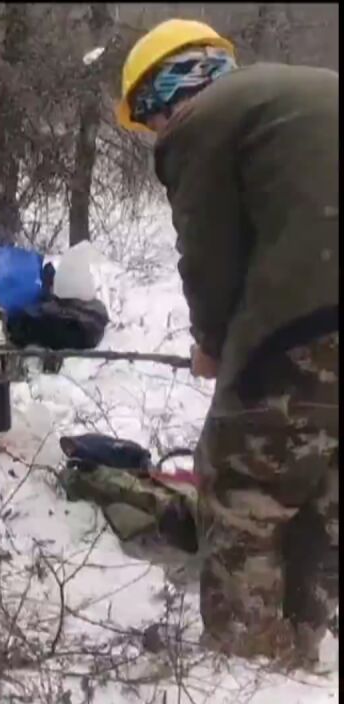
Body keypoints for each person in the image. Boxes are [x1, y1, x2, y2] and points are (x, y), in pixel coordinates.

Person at [118, 19, 338, 666]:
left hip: (303, 316)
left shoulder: (200, 119)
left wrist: (213, 344)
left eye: (149, 121)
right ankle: (306, 640)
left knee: (245, 489)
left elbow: (209, 255)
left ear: (161, 93)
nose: (157, 134)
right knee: (325, 487)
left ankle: (250, 671)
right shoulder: (305, 91)